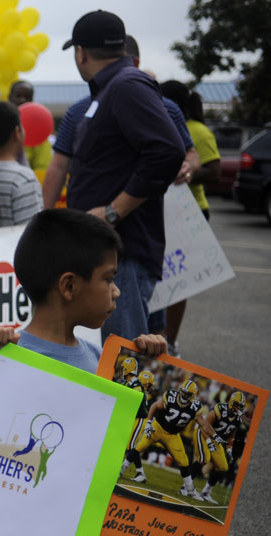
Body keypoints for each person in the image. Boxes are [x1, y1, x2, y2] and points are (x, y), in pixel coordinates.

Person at [0, 208, 167, 536]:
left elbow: (128, 441)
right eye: (109, 279)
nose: (118, 292)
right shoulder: (5, 355)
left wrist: (150, 369)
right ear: (68, 285)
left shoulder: (105, 363)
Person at [59, 11, 186, 343]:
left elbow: (168, 151)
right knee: (115, 363)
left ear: (80, 52)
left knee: (124, 367)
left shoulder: (126, 85)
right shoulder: (113, 88)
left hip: (122, 255)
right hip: (111, 254)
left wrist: (114, 211)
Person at [42, 33, 198, 211]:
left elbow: (186, 154)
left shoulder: (167, 109)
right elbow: (58, 167)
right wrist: (42, 220)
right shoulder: (77, 111)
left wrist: (187, 167)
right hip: (89, 223)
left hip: (149, 222)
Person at [156, 80, 221, 354]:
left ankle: (170, 341)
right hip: (163, 211)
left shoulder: (197, 132)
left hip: (191, 211)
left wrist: (188, 174)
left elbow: (214, 170)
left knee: (178, 280)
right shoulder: (161, 124)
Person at [121, 380, 218, 501]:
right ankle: (121, 469)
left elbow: (203, 424)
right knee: (140, 446)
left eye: (187, 394)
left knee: (184, 461)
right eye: (182, 392)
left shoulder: (195, 407)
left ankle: (189, 489)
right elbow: (155, 406)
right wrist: (149, 423)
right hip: (158, 427)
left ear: (192, 396)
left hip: (173, 435)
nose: (183, 396)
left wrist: (214, 435)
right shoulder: (171, 397)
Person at [7, 80, 52, 172]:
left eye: (27, 97)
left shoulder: (39, 132)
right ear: (9, 98)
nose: (22, 100)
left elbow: (43, 167)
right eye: (18, 96)